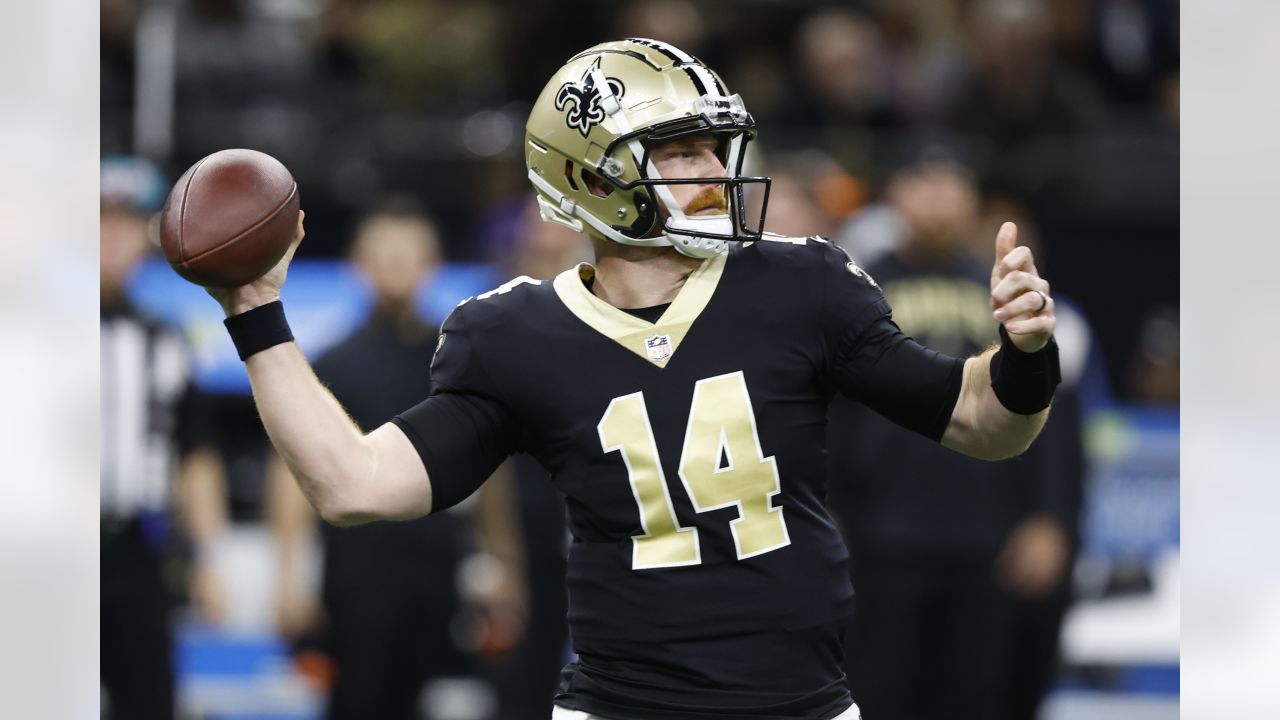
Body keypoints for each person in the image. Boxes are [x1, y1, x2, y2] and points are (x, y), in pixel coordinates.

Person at [198, 40, 1062, 720]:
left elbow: (984, 420)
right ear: (591, 177)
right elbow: (354, 484)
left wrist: (1023, 354)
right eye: (681, 153)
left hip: (805, 703)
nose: (716, 173)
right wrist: (255, 313)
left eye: (715, 149)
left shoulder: (802, 284)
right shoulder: (515, 333)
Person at [825, 152, 1085, 720]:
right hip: (879, 540)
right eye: (923, 180)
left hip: (988, 540)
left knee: (979, 698)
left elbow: (1056, 412)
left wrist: (1051, 519)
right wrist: (825, 508)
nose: (939, 196)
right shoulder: (856, 289)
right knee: (876, 696)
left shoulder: (1006, 289)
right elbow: (826, 412)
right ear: (894, 196)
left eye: (952, 181)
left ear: (973, 199)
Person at [265, 201, 526, 719]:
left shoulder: (459, 359)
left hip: (438, 567)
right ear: (357, 264)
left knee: (431, 702)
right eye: (383, 255)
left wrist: (507, 566)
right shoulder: (331, 363)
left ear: (433, 264)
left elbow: (491, 469)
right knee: (358, 701)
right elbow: (291, 471)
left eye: (410, 256)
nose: (397, 267)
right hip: (357, 572)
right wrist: (289, 579)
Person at [100, 156, 230, 719]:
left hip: (137, 553)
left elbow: (194, 456)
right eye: (98, 224)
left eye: (124, 225)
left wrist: (208, 559)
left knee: (150, 701)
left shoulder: (165, 341)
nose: (110, 240)